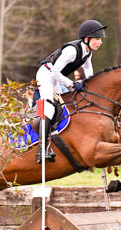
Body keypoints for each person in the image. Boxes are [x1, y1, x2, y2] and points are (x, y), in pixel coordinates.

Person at [36, 19, 107, 163]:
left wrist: (91, 88)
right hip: (46, 75)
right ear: (87, 39)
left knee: (63, 107)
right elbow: (55, 72)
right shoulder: (71, 50)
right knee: (49, 108)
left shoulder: (88, 53)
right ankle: (41, 149)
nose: (100, 43)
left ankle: (55, 139)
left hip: (55, 77)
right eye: (97, 39)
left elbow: (88, 71)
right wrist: (71, 84)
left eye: (100, 40)